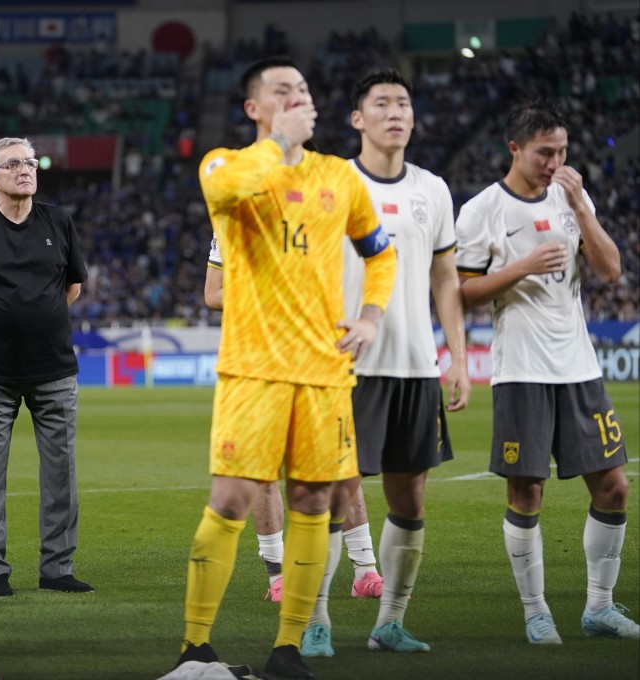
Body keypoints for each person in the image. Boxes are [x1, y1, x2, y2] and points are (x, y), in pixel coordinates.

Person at [177, 56, 396, 679]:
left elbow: (380, 255)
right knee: (230, 498)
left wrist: (372, 316)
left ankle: (288, 649)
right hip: (253, 369)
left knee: (312, 500)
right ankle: (195, 649)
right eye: (282, 91)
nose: (298, 98)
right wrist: (279, 143)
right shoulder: (226, 163)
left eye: (303, 89)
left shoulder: (340, 178)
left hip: (325, 371)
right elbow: (225, 190)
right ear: (255, 108)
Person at [300, 68, 472, 658]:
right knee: (332, 494)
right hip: (347, 366)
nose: (396, 112)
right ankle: (315, 620)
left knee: (410, 500)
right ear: (357, 119)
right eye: (382, 103)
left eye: (404, 102)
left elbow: (446, 278)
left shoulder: (435, 189)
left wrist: (457, 357)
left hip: (417, 367)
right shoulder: (331, 183)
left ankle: (389, 623)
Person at [456, 99, 638, 644]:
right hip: (522, 371)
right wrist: (520, 268)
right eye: (544, 153)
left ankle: (599, 607)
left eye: (562, 151)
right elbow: (462, 294)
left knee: (614, 486)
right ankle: (536, 611)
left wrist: (581, 207)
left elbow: (610, 269)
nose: (555, 162)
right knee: (527, 492)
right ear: (515, 148)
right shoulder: (483, 210)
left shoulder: (570, 198)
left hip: (579, 367)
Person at [0, 137, 91, 598]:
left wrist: (37, 322)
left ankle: (57, 568)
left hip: (54, 368)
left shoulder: (58, 220)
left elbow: (72, 288)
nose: (26, 169)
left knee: (60, 472)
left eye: (30, 162)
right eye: (13, 164)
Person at [204, 236, 384, 605]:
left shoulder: (316, 207)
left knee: (340, 463)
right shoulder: (232, 219)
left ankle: (365, 571)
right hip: (258, 362)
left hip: (316, 357)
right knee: (265, 473)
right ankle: (279, 577)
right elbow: (212, 294)